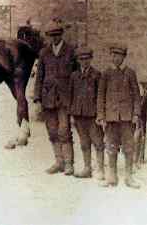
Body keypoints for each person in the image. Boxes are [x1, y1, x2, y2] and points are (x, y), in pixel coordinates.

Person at [33, 19, 77, 175]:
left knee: (64, 130)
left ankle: (69, 163)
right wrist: (37, 99)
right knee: (52, 131)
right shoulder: (44, 53)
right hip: (48, 98)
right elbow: (39, 77)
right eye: (51, 36)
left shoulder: (71, 51)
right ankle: (58, 162)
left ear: (61, 35)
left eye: (56, 35)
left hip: (65, 99)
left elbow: (76, 76)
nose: (54, 38)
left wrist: (75, 98)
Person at [96, 44, 141, 188]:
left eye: (118, 56)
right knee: (111, 146)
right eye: (113, 56)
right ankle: (112, 177)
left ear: (123, 57)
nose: (115, 58)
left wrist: (136, 114)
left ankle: (129, 177)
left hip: (127, 117)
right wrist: (101, 115)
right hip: (111, 118)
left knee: (129, 147)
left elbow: (136, 96)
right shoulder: (106, 74)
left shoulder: (130, 73)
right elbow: (100, 96)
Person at [69, 46, 105, 180]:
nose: (84, 62)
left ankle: (100, 169)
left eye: (87, 59)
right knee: (84, 143)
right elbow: (71, 95)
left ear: (91, 59)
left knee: (98, 142)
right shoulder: (74, 76)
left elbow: (100, 96)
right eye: (81, 59)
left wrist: (100, 115)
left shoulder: (97, 75)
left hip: (93, 115)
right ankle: (87, 168)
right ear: (78, 60)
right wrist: (72, 115)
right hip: (79, 115)